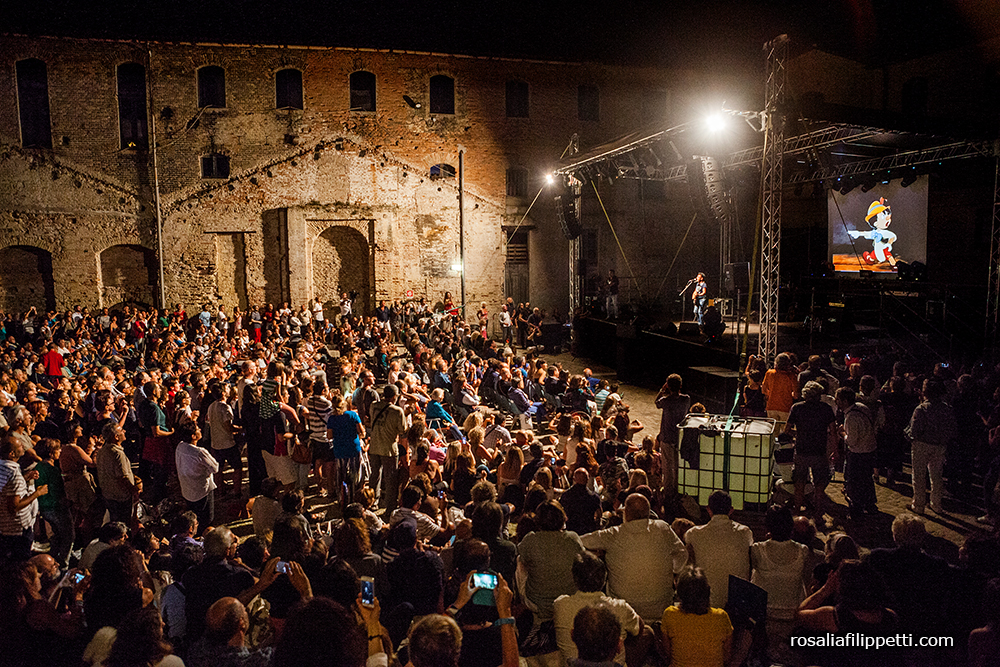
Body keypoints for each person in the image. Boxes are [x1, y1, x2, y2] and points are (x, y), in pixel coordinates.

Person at [580, 493, 688, 622]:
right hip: (660, 606)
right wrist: (672, 571)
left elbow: (580, 541)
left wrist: (596, 552)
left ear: (626, 513)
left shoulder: (614, 534)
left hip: (624, 608)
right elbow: (682, 553)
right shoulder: (662, 528)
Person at [553, 551, 645, 667]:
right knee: (647, 632)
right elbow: (640, 627)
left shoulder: (560, 605)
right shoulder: (620, 607)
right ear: (618, 645)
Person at [517, 500, 586, 623]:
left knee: (519, 561)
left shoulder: (530, 540)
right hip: (568, 598)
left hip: (537, 602)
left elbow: (521, 559)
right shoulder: (573, 538)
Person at [683, 490, 753, 608]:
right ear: (731, 510)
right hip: (737, 605)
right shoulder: (745, 533)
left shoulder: (693, 534)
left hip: (707, 604)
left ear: (708, 509)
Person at [660, 567, 733, 667]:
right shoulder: (721, 617)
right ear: (707, 592)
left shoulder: (670, 615)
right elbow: (727, 657)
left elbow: (668, 653)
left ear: (679, 593)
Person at [906, 379, 957, 515]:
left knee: (919, 475)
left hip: (922, 444)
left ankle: (918, 505)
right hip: (940, 445)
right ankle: (936, 504)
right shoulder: (947, 409)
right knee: (936, 476)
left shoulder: (921, 409)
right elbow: (952, 429)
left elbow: (914, 431)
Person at [785, 381, 836, 516]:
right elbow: (833, 431)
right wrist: (835, 450)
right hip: (819, 451)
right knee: (819, 484)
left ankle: (797, 511)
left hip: (801, 449)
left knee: (799, 484)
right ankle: (818, 512)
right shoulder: (826, 408)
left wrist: (798, 433)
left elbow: (787, 430)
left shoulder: (797, 408)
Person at [186, 597, 273, 667]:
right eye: (244, 610)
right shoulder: (256, 662)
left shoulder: (195, 655)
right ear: (241, 622)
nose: (246, 611)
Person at [1, 436, 47, 562]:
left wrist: (25, 477)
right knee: (19, 565)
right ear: (12, 453)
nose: (23, 447)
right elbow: (13, 507)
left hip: (4, 528)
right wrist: (37, 493)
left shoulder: (3, 467)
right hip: (17, 530)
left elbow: (6, 490)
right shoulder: (13, 473)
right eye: (20, 446)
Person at [836, 387, 878, 516]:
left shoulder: (851, 417)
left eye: (838, 400)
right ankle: (870, 504)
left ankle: (857, 508)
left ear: (844, 401)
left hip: (858, 453)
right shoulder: (862, 407)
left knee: (855, 481)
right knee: (867, 478)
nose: (837, 402)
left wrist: (842, 433)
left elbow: (852, 441)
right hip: (870, 449)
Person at [368, 384, 407, 513]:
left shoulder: (374, 406)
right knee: (391, 480)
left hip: (374, 446)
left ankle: (371, 502)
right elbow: (402, 430)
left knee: (374, 476)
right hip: (389, 449)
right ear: (395, 397)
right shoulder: (397, 411)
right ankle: (390, 508)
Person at [175, 422, 220, 529]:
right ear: (193, 436)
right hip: (202, 491)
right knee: (206, 519)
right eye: (198, 429)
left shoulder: (180, 446)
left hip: (187, 489)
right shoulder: (199, 452)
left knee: (194, 517)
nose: (200, 429)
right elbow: (215, 468)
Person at [327, 393, 366, 508]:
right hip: (353, 448)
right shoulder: (353, 415)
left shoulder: (331, 419)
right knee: (355, 475)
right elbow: (362, 432)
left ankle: (342, 498)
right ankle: (355, 498)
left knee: (341, 475)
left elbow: (329, 436)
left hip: (339, 449)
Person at [655, 373, 690, 497]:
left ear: (668, 386)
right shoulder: (686, 399)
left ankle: (669, 493)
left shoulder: (665, 401)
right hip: (680, 438)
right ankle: (678, 491)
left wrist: (662, 390)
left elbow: (656, 402)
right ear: (680, 385)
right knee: (678, 466)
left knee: (667, 467)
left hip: (667, 438)